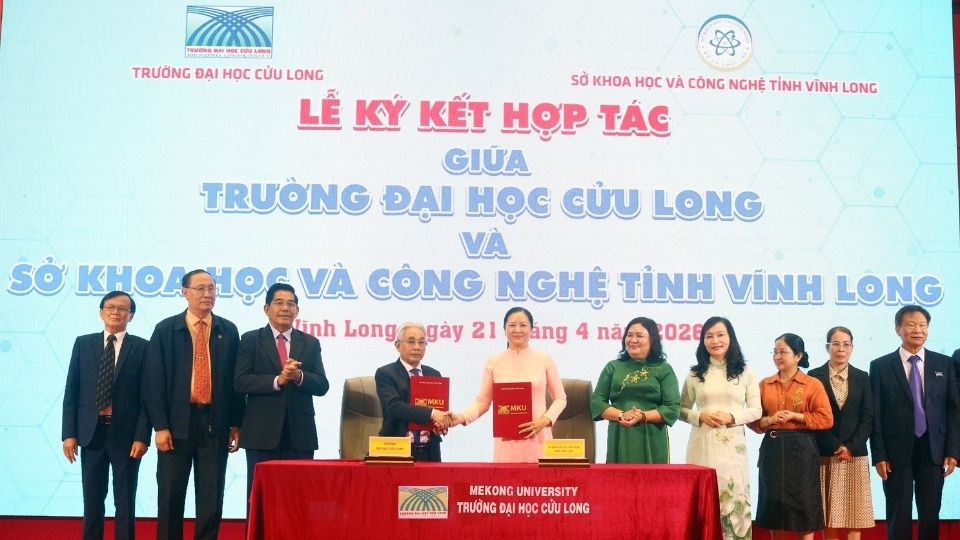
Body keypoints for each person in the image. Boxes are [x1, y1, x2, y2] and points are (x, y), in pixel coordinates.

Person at [145, 269, 244, 540]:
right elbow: (153, 383)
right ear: (184, 292)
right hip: (176, 424)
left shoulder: (228, 329)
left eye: (212, 288)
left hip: (215, 423)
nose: (207, 294)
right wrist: (160, 426)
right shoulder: (166, 329)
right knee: (170, 495)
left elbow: (235, 384)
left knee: (211, 498)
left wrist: (236, 422)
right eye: (200, 288)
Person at [62, 291, 150, 540]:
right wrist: (69, 434)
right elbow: (72, 390)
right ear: (101, 312)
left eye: (123, 308)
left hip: (126, 437)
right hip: (91, 434)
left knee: (125, 503)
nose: (116, 312)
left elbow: (147, 398)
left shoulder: (142, 348)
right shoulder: (83, 343)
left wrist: (142, 436)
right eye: (110, 307)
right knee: (92, 501)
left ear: (130, 316)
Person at [234, 283, 329, 504]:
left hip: (300, 434)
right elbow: (240, 382)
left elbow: (322, 385)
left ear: (297, 310)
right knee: (261, 499)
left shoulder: (310, 342)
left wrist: (298, 376)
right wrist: (278, 380)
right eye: (279, 303)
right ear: (266, 308)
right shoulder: (250, 340)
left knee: (298, 500)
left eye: (291, 303)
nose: (285, 308)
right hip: (261, 433)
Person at [870, 305, 959, 540]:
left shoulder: (944, 363)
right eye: (911, 325)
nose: (917, 330)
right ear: (898, 328)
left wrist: (953, 451)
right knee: (898, 511)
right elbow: (875, 414)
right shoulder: (880, 366)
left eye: (922, 325)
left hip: (934, 449)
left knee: (930, 512)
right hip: (895, 451)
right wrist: (878, 454)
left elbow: (953, 410)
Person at [449, 307, 566, 462]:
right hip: (506, 445)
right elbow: (482, 402)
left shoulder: (544, 359)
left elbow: (560, 398)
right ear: (504, 330)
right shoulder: (494, 362)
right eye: (512, 325)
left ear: (532, 329)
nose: (517, 330)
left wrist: (545, 420)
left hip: (538, 438)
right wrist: (461, 417)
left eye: (523, 325)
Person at [680, 316, 761, 539]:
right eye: (709, 336)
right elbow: (680, 410)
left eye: (720, 335)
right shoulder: (695, 374)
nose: (715, 340)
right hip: (701, 445)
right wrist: (700, 415)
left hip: (732, 448)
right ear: (702, 341)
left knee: (732, 501)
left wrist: (731, 416)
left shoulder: (745, 372)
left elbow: (756, 410)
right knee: (701, 502)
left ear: (730, 338)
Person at [749, 333, 833, 540]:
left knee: (805, 507)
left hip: (802, 449)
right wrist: (768, 421)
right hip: (773, 448)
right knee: (774, 507)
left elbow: (826, 419)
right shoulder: (764, 384)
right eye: (775, 352)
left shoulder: (812, 384)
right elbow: (752, 419)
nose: (778, 356)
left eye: (783, 352)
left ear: (798, 356)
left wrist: (798, 416)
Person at [808, 327, 874, 540]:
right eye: (836, 344)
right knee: (829, 514)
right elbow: (813, 416)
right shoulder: (814, 376)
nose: (841, 349)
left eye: (846, 344)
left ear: (852, 348)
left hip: (855, 455)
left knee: (855, 514)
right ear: (828, 347)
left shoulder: (862, 377)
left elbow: (867, 417)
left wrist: (851, 447)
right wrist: (836, 446)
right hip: (826, 453)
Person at [590, 316, 681, 464]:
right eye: (629, 335)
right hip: (620, 434)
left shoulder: (663, 368)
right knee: (618, 482)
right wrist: (621, 415)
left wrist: (642, 416)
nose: (632, 340)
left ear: (652, 340)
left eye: (639, 336)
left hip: (652, 436)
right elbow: (597, 402)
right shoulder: (613, 367)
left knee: (653, 483)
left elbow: (673, 407)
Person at [375, 322, 448, 461]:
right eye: (411, 342)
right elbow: (394, 407)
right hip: (396, 449)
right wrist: (432, 413)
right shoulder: (385, 373)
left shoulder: (434, 375)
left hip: (429, 451)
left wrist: (442, 423)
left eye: (422, 342)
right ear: (397, 345)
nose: (417, 347)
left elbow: (439, 410)